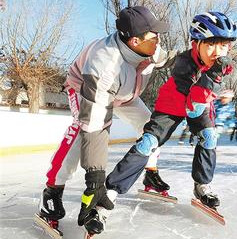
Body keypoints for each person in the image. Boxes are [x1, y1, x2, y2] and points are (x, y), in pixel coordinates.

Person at [37, 6, 174, 234]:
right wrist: (95, 180)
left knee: (152, 129)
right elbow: (95, 125)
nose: (159, 40)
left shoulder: (151, 47)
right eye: (154, 35)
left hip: (124, 94)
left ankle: (150, 173)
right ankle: (51, 193)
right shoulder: (105, 63)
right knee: (82, 135)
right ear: (135, 41)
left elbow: (167, 60)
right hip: (85, 89)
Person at [104, 12, 237, 222]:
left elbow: (200, 105)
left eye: (223, 45)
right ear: (197, 42)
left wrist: (214, 77)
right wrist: (213, 77)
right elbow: (191, 107)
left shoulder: (217, 63)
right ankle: (111, 190)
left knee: (210, 136)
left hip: (200, 103)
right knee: (149, 143)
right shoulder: (184, 63)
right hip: (173, 104)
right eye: (211, 44)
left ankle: (202, 185)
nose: (217, 52)